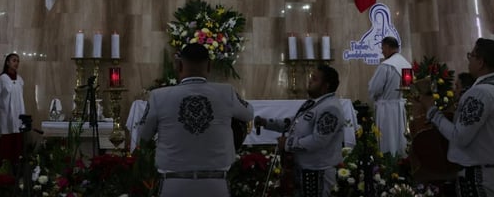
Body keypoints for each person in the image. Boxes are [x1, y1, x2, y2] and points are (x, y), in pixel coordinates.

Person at [138, 43, 253, 197]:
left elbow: (143, 135)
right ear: (209, 66)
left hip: (174, 184)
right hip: (215, 184)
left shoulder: (159, 96)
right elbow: (248, 114)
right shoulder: (227, 93)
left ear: (179, 65)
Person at [419, 38, 494, 197]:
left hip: (482, 179)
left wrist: (431, 110)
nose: (469, 60)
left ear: (480, 62)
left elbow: (459, 137)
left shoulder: (480, 93)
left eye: (471, 56)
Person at [255, 64, 346, 197]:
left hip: (317, 172)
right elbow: (293, 123)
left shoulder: (331, 108)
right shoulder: (315, 103)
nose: (309, 81)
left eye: (314, 79)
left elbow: (318, 141)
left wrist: (287, 144)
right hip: (304, 168)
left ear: (325, 86)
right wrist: (267, 123)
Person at [368, 36, 411, 157]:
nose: (382, 51)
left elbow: (375, 88)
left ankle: (387, 164)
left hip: (386, 110)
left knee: (387, 138)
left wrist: (372, 94)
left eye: (382, 48)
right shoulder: (406, 65)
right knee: (400, 138)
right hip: (401, 108)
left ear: (387, 47)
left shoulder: (386, 66)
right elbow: (408, 88)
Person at [0, 53, 25, 167]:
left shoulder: (20, 79)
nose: (16, 63)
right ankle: (3, 167)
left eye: (17, 61)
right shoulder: (2, 79)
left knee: (16, 142)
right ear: (7, 62)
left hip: (18, 115)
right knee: (6, 141)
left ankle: (15, 166)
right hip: (5, 115)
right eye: (14, 60)